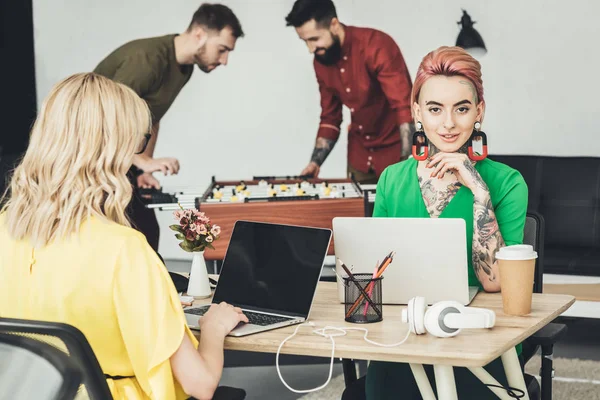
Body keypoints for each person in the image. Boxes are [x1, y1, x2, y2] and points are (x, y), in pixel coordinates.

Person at [0, 73, 248, 400]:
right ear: (114, 150)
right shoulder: (123, 251)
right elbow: (200, 385)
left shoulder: (5, 228)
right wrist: (214, 329)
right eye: (139, 141)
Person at [366, 46, 528, 399]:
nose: (449, 123)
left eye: (462, 109)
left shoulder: (508, 182)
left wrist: (479, 192)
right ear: (417, 113)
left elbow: (496, 283)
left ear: (479, 112)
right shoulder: (392, 179)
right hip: (405, 335)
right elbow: (376, 274)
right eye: (435, 109)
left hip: (480, 338)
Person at [94, 3, 244, 251]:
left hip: (121, 158)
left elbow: (151, 118)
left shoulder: (184, 69)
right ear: (199, 35)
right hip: (92, 157)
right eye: (222, 49)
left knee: (147, 233)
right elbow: (109, 115)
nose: (225, 60)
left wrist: (144, 168)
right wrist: (139, 160)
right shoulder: (148, 60)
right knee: (122, 238)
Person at [285, 0, 413, 184]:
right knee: (356, 212)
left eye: (314, 39)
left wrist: (407, 163)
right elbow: (330, 117)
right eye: (305, 41)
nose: (310, 49)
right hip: (359, 157)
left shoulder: (376, 45)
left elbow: (403, 107)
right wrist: (315, 162)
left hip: (394, 155)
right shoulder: (320, 61)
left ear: (334, 25)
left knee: (397, 212)